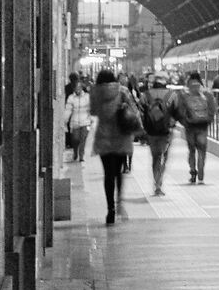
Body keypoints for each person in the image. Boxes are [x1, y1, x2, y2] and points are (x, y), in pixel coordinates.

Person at [89, 69, 137, 224]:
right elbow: (133, 110)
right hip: (121, 137)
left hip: (103, 138)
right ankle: (119, 201)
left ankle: (110, 209)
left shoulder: (96, 93)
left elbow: (93, 112)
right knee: (118, 172)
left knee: (108, 174)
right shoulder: (122, 91)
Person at [175, 70, 216, 184]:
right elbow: (213, 109)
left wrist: (184, 122)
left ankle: (193, 172)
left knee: (192, 150)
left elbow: (180, 110)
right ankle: (201, 174)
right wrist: (208, 120)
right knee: (202, 150)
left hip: (190, 126)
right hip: (203, 126)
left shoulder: (184, 94)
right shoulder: (207, 93)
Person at [139, 76, 176, 194]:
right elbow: (177, 111)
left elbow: (140, 113)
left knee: (155, 157)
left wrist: (143, 129)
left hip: (151, 132)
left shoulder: (145, 95)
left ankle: (157, 184)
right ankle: (160, 181)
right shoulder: (171, 94)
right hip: (166, 131)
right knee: (164, 156)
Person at [64, 75, 93, 163]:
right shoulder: (71, 98)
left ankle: (81, 156)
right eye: (76, 88)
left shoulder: (87, 97)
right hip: (75, 122)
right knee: (75, 139)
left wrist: (91, 118)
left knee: (83, 139)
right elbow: (68, 109)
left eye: (79, 88)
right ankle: (75, 151)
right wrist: (65, 120)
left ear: (81, 88)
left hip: (85, 121)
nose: (77, 90)